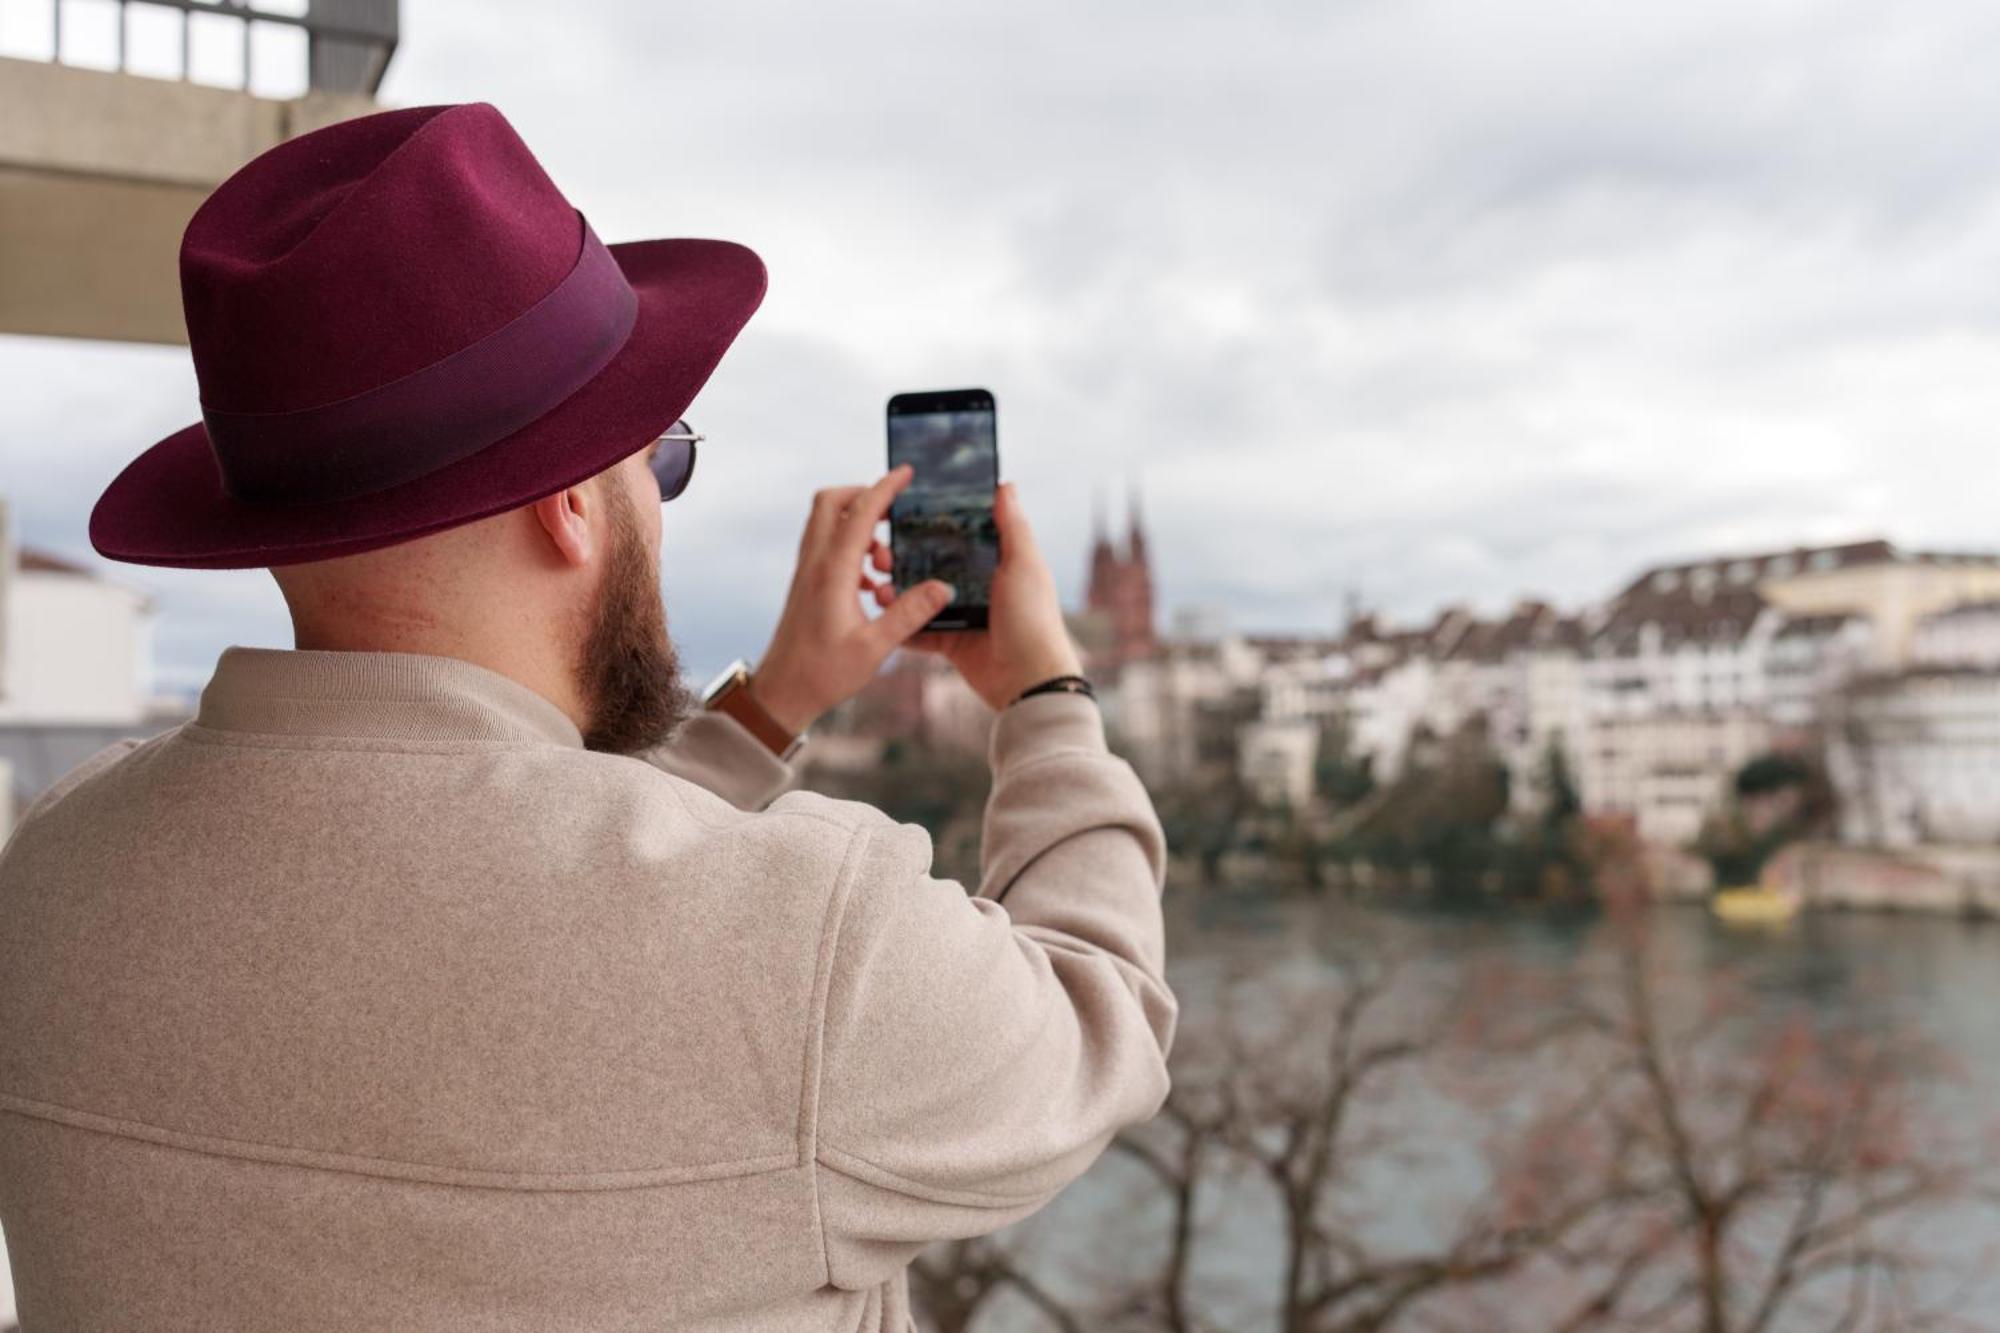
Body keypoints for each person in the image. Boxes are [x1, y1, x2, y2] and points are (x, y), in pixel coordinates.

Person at [0, 103, 1175, 1331]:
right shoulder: (813, 946)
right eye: (661, 460)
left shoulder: (53, 869)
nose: (656, 507)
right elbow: (1103, 1019)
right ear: (570, 502)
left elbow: (525, 882)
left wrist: (769, 707)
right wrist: (1045, 696)